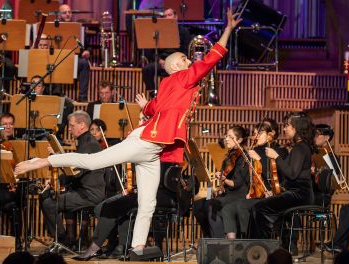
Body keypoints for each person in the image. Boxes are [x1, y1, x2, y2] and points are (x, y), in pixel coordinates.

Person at [14, 9, 241, 251]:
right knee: (92, 162)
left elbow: (156, 107)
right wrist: (227, 29)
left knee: (148, 203)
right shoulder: (183, 77)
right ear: (177, 66)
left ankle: (138, 249)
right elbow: (212, 58)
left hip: (153, 150)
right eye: (186, 60)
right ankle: (42, 161)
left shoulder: (170, 84)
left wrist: (147, 106)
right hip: (144, 142)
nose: (190, 61)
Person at [77, 162, 179, 260]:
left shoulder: (158, 156)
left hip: (160, 196)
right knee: (102, 207)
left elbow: (157, 181)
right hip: (152, 193)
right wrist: (133, 188)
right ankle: (119, 244)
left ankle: (96, 247)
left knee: (111, 206)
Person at [39, 110, 105, 246]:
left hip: (90, 194)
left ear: (82, 125)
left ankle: (63, 241)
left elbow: (76, 172)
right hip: (82, 190)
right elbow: (75, 170)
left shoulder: (89, 144)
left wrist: (57, 178)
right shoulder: (85, 141)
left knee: (49, 204)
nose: (69, 128)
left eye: (72, 125)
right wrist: (55, 181)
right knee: (45, 196)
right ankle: (67, 239)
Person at [249, 112, 316, 239]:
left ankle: (261, 246)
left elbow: (291, 174)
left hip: (300, 195)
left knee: (259, 207)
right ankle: (269, 243)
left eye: (287, 126)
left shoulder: (300, 148)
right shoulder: (299, 146)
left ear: (296, 127)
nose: (284, 128)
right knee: (260, 206)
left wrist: (277, 157)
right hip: (295, 193)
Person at [219, 120, 288, 239]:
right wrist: (251, 191)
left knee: (242, 206)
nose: (256, 136)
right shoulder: (254, 150)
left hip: (275, 194)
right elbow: (252, 177)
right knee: (228, 209)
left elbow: (278, 174)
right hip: (259, 194)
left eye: (260, 133)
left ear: (270, 135)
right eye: (255, 133)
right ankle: (233, 245)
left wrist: (259, 159)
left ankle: (251, 242)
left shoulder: (280, 151)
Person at [194, 126, 250, 239]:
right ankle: (208, 238)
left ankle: (219, 244)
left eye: (230, 137)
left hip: (238, 195)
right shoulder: (228, 157)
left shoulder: (244, 158)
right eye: (226, 136)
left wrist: (224, 179)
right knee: (198, 205)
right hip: (227, 193)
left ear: (239, 140)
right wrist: (217, 189)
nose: (226, 139)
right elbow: (223, 185)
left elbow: (236, 184)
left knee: (211, 205)